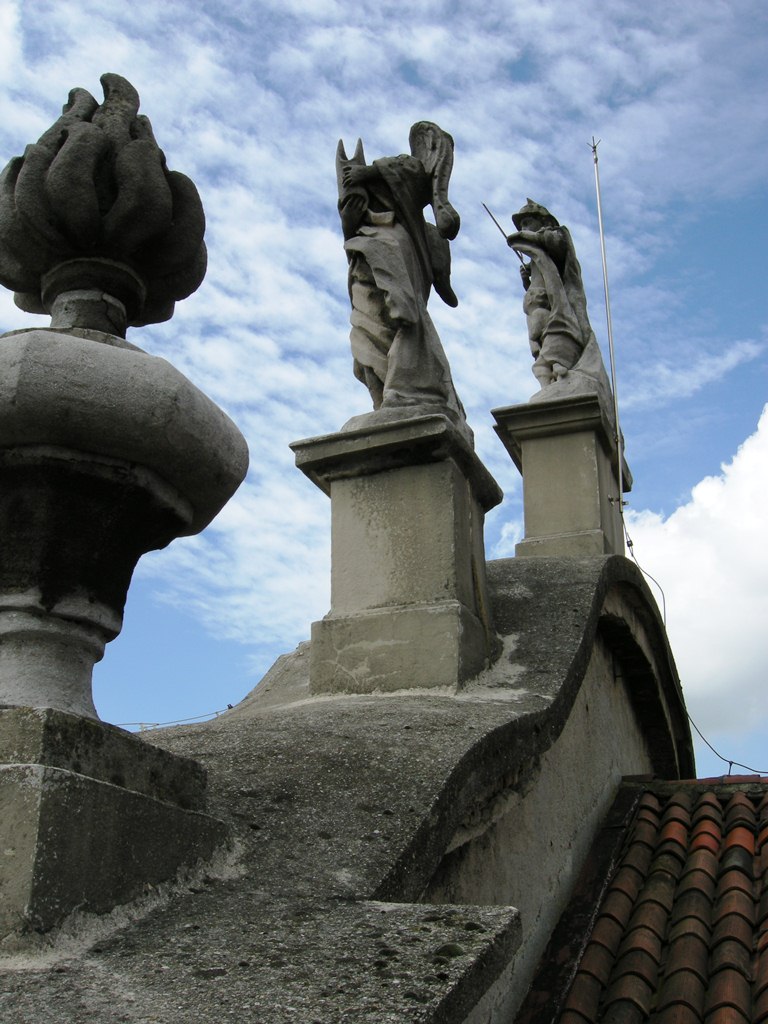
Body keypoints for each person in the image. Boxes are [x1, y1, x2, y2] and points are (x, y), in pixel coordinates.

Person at [336, 122, 469, 436]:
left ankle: (409, 393)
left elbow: (412, 171)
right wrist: (349, 219)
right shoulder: (364, 232)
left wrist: (368, 173)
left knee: (403, 321)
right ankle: (384, 399)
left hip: (392, 261)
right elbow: (351, 237)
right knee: (364, 340)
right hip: (364, 270)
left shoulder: (399, 233)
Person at [506, 199, 595, 388]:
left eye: (527, 222)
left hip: (552, 307)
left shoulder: (556, 235)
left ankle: (561, 376)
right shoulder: (536, 255)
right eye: (522, 226)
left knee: (554, 343)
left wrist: (527, 239)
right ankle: (548, 386)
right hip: (533, 309)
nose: (524, 228)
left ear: (543, 221)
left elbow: (555, 244)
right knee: (539, 351)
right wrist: (527, 281)